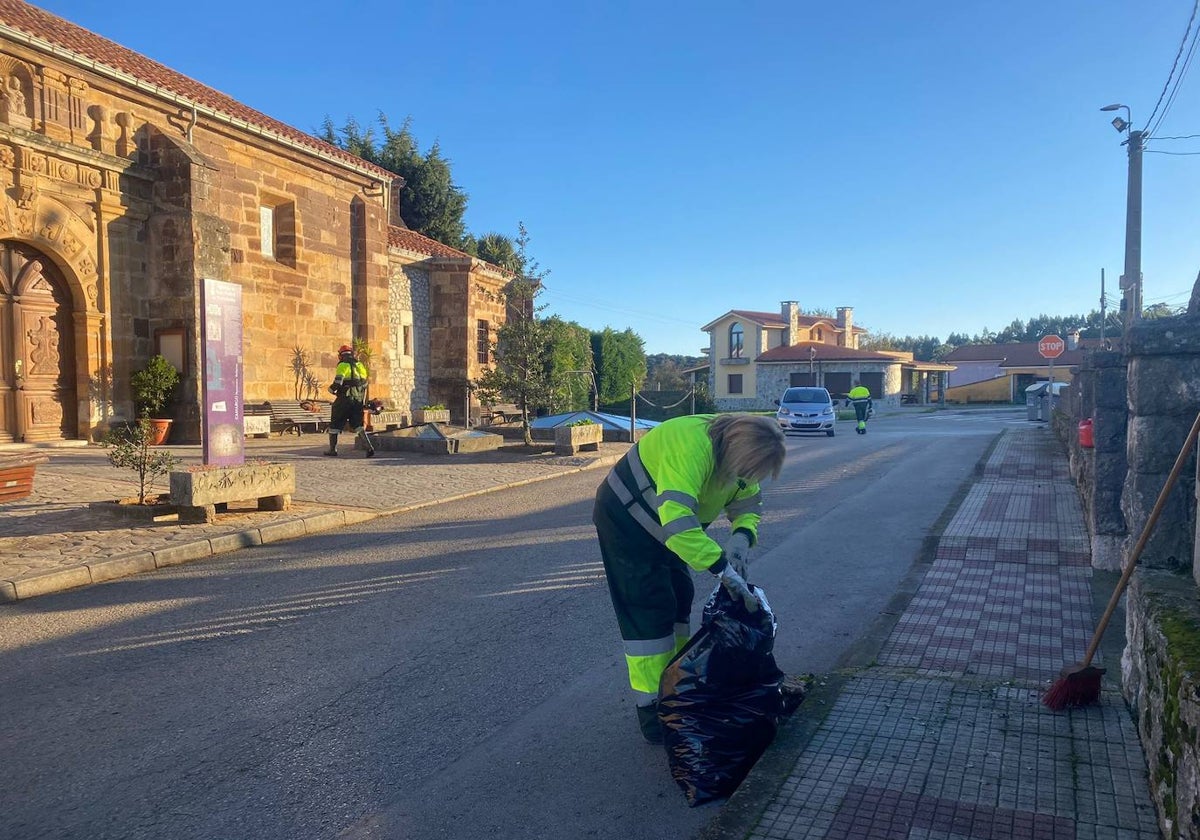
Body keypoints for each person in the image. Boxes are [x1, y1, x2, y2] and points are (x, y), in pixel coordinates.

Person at [592, 413, 786, 744]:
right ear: (737, 451)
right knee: (649, 616)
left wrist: (741, 538)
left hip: (669, 530)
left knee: (680, 597)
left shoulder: (739, 453)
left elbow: (748, 501)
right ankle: (653, 712)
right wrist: (722, 569)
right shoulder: (691, 446)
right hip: (627, 523)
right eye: (746, 470)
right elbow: (678, 523)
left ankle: (678, 686)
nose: (746, 477)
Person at [324, 344, 374, 458]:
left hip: (344, 399)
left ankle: (333, 450)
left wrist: (331, 390)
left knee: (335, 424)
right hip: (357, 400)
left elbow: (338, 382)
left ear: (340, 355)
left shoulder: (342, 365)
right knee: (357, 425)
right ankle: (369, 447)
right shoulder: (360, 365)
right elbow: (365, 383)